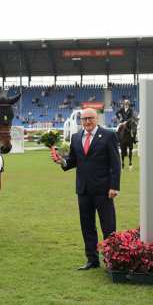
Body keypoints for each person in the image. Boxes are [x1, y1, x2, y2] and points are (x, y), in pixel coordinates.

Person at [51, 108, 121, 271]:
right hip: (83, 190)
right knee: (87, 226)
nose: (87, 122)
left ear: (97, 119)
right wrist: (62, 161)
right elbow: (74, 161)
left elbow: (115, 164)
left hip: (104, 190)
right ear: (81, 121)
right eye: (84, 119)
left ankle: (112, 259)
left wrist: (114, 186)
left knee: (108, 226)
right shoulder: (76, 138)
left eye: (90, 118)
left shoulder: (109, 136)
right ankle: (92, 259)